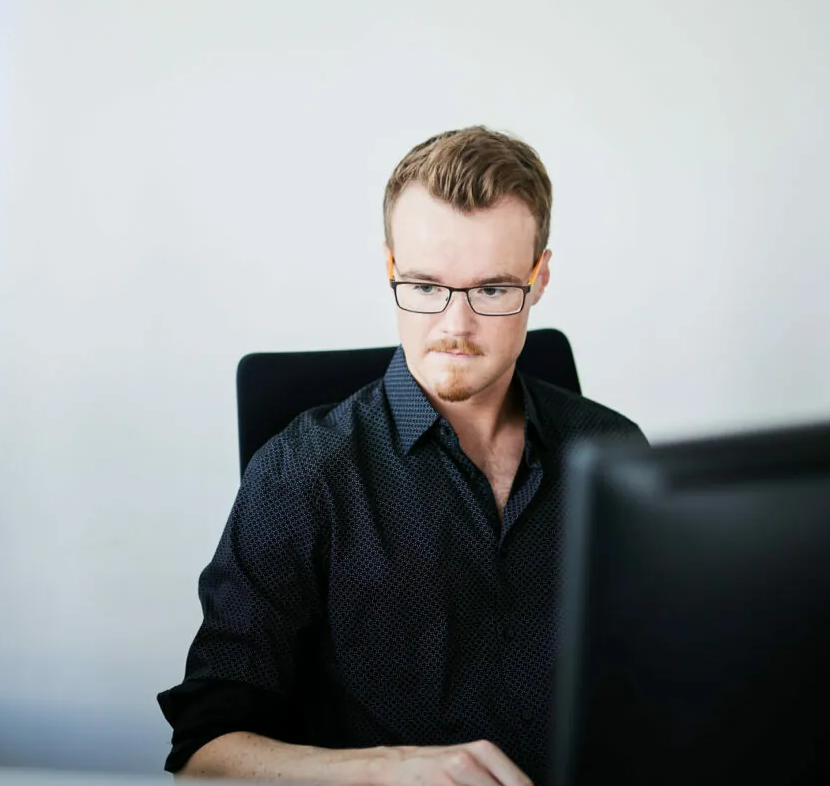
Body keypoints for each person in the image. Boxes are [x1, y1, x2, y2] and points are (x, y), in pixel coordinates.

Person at [158, 126, 645, 786]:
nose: (454, 326)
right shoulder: (304, 471)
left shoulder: (613, 454)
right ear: (392, 270)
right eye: (424, 286)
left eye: (494, 291)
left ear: (539, 280)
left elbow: (662, 675)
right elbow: (203, 754)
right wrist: (387, 771)